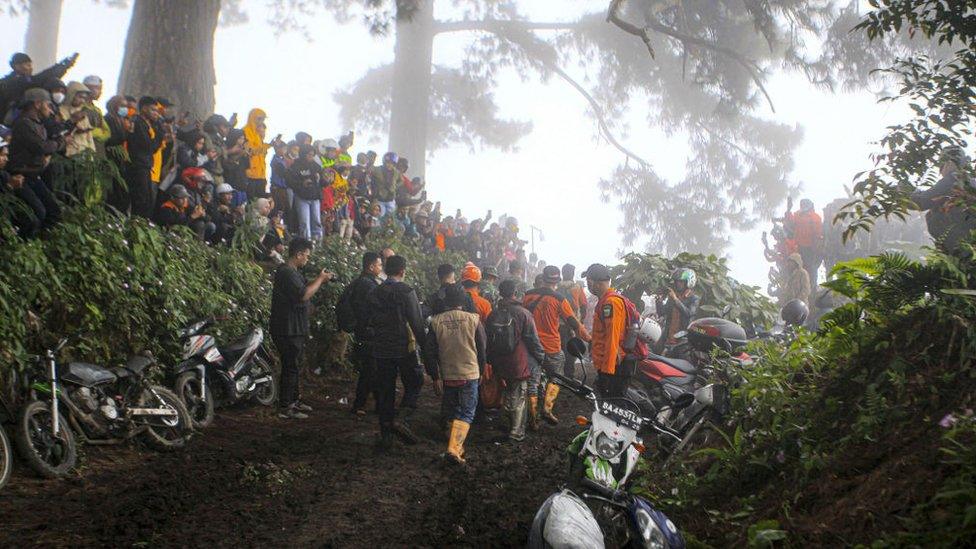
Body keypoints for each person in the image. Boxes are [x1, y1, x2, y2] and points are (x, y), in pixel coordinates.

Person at [366, 255, 427, 450]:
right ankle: (402, 418)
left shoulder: (375, 292)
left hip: (381, 348)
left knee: (385, 390)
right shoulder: (407, 291)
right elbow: (417, 322)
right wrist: (425, 347)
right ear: (402, 271)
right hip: (404, 347)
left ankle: (386, 436)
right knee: (415, 381)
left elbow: (368, 320)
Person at [270, 238, 335, 419]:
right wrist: (320, 280)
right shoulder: (286, 273)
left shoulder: (294, 272)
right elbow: (304, 294)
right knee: (290, 366)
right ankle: (286, 406)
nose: (307, 259)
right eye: (306, 256)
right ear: (298, 254)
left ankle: (294, 400)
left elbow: (305, 288)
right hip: (287, 328)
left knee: (295, 365)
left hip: (295, 328)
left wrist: (319, 279)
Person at [425, 283, 486, 464]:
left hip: (448, 374)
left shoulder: (436, 321)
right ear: (462, 300)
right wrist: (481, 371)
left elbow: (429, 352)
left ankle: (457, 446)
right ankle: (453, 449)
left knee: (452, 410)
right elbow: (482, 349)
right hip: (469, 373)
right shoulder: (474, 319)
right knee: (467, 412)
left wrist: (435, 376)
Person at [523, 265, 589, 425]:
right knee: (556, 377)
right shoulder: (559, 299)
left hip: (530, 346)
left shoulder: (528, 296)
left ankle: (533, 419)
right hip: (551, 347)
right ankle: (547, 409)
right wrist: (588, 338)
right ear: (557, 280)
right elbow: (573, 322)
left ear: (543, 278)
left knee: (532, 382)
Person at [487, 279, 546, 443]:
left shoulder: (494, 314)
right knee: (519, 394)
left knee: (506, 392)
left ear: (500, 293)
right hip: (517, 362)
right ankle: (516, 431)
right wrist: (542, 358)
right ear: (515, 293)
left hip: (499, 361)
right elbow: (533, 340)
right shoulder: (523, 313)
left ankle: (505, 423)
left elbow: (488, 340)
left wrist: (491, 361)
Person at [585, 263, 645, 399]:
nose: (588, 286)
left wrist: (607, 371)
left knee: (615, 406)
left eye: (588, 281)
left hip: (616, 366)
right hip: (615, 365)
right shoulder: (607, 300)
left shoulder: (610, 303)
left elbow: (613, 337)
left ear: (595, 283)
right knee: (612, 405)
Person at [7, 88, 62, 233]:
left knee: (53, 211)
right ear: (38, 104)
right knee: (37, 212)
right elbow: (41, 147)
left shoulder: (38, 125)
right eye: (48, 105)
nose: (51, 110)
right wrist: (58, 143)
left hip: (33, 175)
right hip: (20, 175)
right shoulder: (24, 123)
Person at [341, 252, 384, 416]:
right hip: (368, 332)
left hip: (362, 331)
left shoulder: (359, 282)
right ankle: (359, 405)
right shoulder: (368, 285)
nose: (381, 268)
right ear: (371, 266)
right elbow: (372, 309)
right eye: (379, 265)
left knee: (371, 370)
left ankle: (377, 405)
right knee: (370, 370)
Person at [911, 150, 976, 253]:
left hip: (960, 249)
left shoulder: (953, 179)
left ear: (949, 163)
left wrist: (903, 191)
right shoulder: (971, 180)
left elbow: (921, 202)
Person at [0, 52, 78, 123]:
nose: (31, 68)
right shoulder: (13, 82)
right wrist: (64, 65)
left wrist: (63, 65)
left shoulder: (24, 81)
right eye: (28, 65)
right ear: (16, 66)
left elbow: (43, 77)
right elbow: (43, 78)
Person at [126, 96, 165, 218]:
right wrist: (160, 134)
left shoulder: (148, 124)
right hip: (137, 165)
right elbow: (149, 146)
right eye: (153, 110)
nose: (156, 114)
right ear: (143, 109)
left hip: (146, 165)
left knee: (147, 201)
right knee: (141, 201)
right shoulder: (137, 122)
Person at [785, 198, 824, 298]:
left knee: (811, 269)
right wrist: (788, 209)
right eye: (801, 204)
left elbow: (818, 234)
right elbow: (789, 222)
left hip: (810, 248)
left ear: (810, 205)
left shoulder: (815, 218)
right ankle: (795, 289)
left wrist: (817, 249)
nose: (803, 206)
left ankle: (812, 290)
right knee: (797, 268)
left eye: (805, 204)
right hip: (798, 247)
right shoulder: (797, 214)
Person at [655, 268, 700, 353]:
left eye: (681, 282)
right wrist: (659, 301)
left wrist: (675, 299)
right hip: (667, 336)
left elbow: (689, 313)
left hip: (682, 339)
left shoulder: (694, 299)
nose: (678, 284)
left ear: (688, 282)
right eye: (677, 281)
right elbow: (662, 312)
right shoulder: (673, 296)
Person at [557, 263, 588, 377]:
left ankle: (558, 376)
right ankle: (569, 375)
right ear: (572, 273)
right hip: (573, 325)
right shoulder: (577, 288)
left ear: (562, 273)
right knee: (572, 350)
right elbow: (584, 306)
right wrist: (580, 322)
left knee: (559, 350)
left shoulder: (556, 287)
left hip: (558, 325)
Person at [287, 144, 324, 241]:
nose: (311, 157)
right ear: (303, 154)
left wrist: (326, 179)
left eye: (313, 155)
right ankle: (306, 244)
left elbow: (323, 182)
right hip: (302, 197)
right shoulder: (295, 165)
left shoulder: (316, 166)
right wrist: (302, 183)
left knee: (316, 221)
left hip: (315, 197)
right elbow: (289, 181)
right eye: (309, 154)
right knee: (304, 222)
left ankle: (317, 244)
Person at [243, 108, 280, 199]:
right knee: (252, 204)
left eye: (262, 119)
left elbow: (260, 151)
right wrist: (268, 146)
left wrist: (270, 145)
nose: (261, 122)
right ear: (252, 117)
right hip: (250, 175)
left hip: (261, 175)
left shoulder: (257, 135)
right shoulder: (245, 132)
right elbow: (250, 151)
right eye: (259, 119)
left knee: (261, 204)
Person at [58, 82, 95, 157]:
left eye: (84, 98)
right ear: (71, 95)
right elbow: (62, 130)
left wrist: (92, 152)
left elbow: (88, 134)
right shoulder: (60, 110)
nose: (82, 101)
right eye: (80, 97)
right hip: (68, 151)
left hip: (84, 151)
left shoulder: (82, 112)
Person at [370, 152, 400, 218]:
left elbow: (401, 181)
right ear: (384, 162)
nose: (389, 165)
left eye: (392, 163)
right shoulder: (377, 170)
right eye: (388, 162)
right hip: (380, 198)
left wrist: (395, 187)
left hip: (391, 199)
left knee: (391, 217)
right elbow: (371, 177)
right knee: (380, 215)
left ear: (394, 164)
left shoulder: (396, 172)